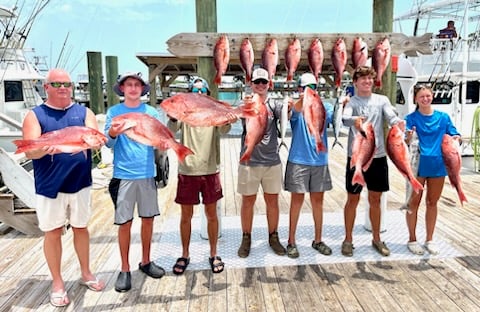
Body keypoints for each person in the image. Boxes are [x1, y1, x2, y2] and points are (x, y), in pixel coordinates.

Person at [21, 68, 105, 307]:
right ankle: (57, 282)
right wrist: (47, 147)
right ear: (46, 87)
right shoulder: (35, 115)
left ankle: (86, 273)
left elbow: (95, 140)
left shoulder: (84, 112)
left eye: (67, 84)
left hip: (80, 182)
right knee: (53, 231)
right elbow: (29, 150)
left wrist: (97, 141)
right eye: (56, 84)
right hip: (49, 185)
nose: (63, 88)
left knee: (81, 227)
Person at [105, 72, 165, 292]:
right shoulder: (114, 112)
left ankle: (146, 261)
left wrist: (164, 143)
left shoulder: (151, 112)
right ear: (122, 89)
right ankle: (124, 268)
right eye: (128, 85)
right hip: (123, 175)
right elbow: (108, 144)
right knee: (125, 223)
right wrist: (112, 131)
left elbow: (159, 139)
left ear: (142, 89)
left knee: (148, 220)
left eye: (136, 85)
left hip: (147, 174)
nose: (132, 88)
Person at [167, 77, 230, 274]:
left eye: (203, 91)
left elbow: (226, 129)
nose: (200, 94)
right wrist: (174, 114)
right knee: (186, 216)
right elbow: (170, 130)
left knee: (211, 215)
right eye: (196, 91)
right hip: (187, 170)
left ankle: (213, 253)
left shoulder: (213, 111)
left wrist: (228, 117)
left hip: (211, 170)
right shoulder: (184, 114)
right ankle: (185, 254)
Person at [341, 66, 404, 257]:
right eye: (362, 79)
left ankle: (377, 238)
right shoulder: (352, 101)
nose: (367, 82)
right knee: (352, 199)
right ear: (355, 83)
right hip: (357, 157)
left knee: (375, 199)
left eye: (369, 79)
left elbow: (391, 116)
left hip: (378, 157)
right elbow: (344, 119)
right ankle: (348, 239)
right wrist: (355, 121)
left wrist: (397, 123)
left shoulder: (382, 100)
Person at [404, 84, 461, 255]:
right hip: (417, 165)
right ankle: (412, 239)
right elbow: (405, 139)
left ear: (432, 96)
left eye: (428, 96)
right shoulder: (411, 118)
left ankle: (429, 239)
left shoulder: (443, 117)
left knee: (432, 203)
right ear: (415, 99)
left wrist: (457, 137)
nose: (425, 99)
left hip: (438, 165)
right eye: (422, 96)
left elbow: (454, 134)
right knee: (413, 203)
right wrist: (406, 136)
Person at [237, 67, 286, 258]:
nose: (260, 85)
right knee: (247, 201)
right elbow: (237, 118)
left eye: (263, 82)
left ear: (269, 84)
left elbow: (289, 114)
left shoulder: (275, 104)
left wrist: (294, 104)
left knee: (272, 201)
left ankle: (273, 237)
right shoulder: (246, 104)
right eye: (256, 82)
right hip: (249, 161)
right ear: (251, 84)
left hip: (272, 161)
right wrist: (245, 106)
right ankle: (246, 237)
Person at [284, 72, 334, 258]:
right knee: (296, 201)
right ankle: (291, 241)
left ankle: (318, 239)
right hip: (298, 160)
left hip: (320, 160)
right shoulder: (296, 108)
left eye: (312, 88)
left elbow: (331, 117)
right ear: (299, 89)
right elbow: (293, 112)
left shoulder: (325, 106)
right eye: (305, 88)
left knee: (317, 202)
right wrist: (302, 98)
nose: (309, 91)